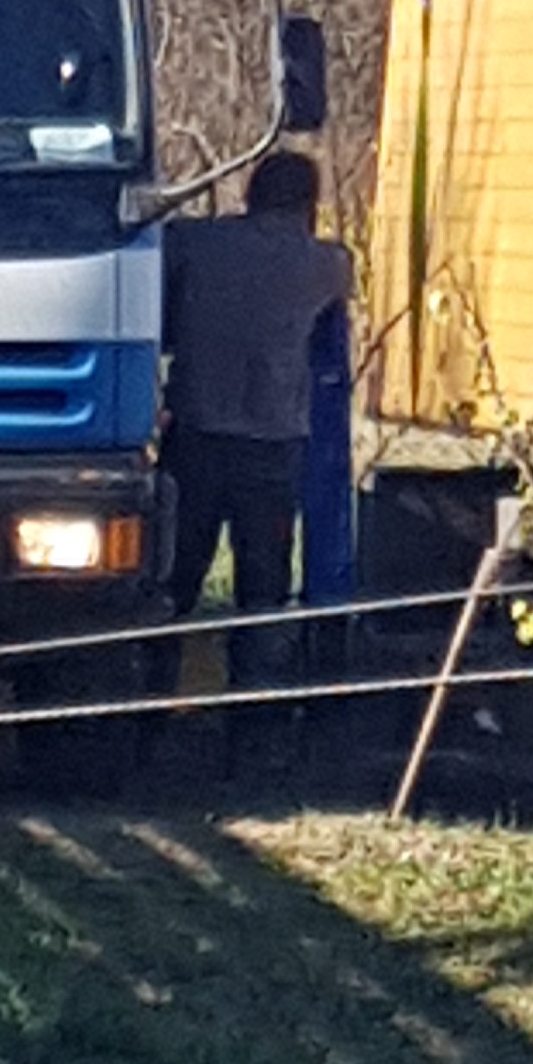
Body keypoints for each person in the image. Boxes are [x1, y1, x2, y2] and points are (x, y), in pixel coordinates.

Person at [158, 151, 354, 684]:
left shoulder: (194, 244)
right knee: (262, 600)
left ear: (252, 193)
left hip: (195, 440)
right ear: (309, 204)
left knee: (170, 589)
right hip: (272, 448)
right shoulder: (325, 265)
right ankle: (251, 730)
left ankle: (149, 713)